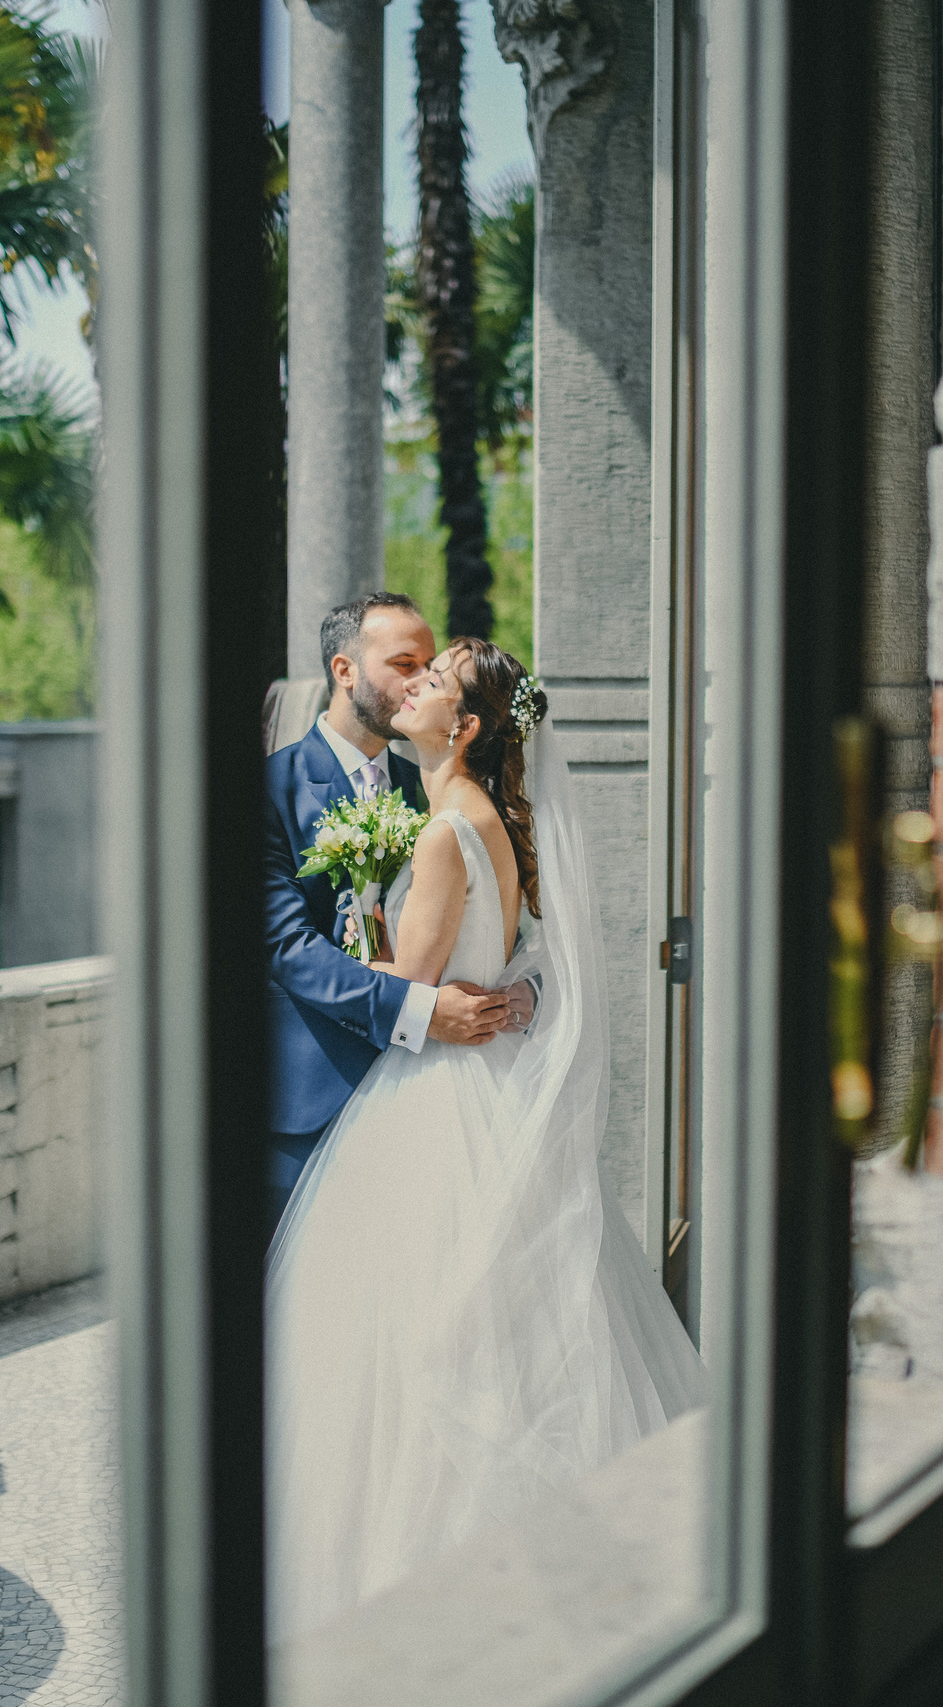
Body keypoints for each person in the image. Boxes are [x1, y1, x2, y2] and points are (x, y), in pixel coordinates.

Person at [263, 637, 706, 1644]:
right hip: (487, 1084)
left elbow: (413, 979)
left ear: (461, 727)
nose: (413, 685)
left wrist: (365, 929)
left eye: (432, 682)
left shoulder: (439, 832)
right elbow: (512, 954)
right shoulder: (492, 819)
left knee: (411, 1338)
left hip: (436, 1094)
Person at [264, 593, 532, 1229]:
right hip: (312, 1098)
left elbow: (498, 918)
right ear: (345, 670)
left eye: (428, 668)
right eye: (404, 665)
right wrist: (420, 1010)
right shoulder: (273, 788)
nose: (418, 682)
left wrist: (519, 992)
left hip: (428, 1100)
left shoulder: (434, 787)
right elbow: (286, 946)